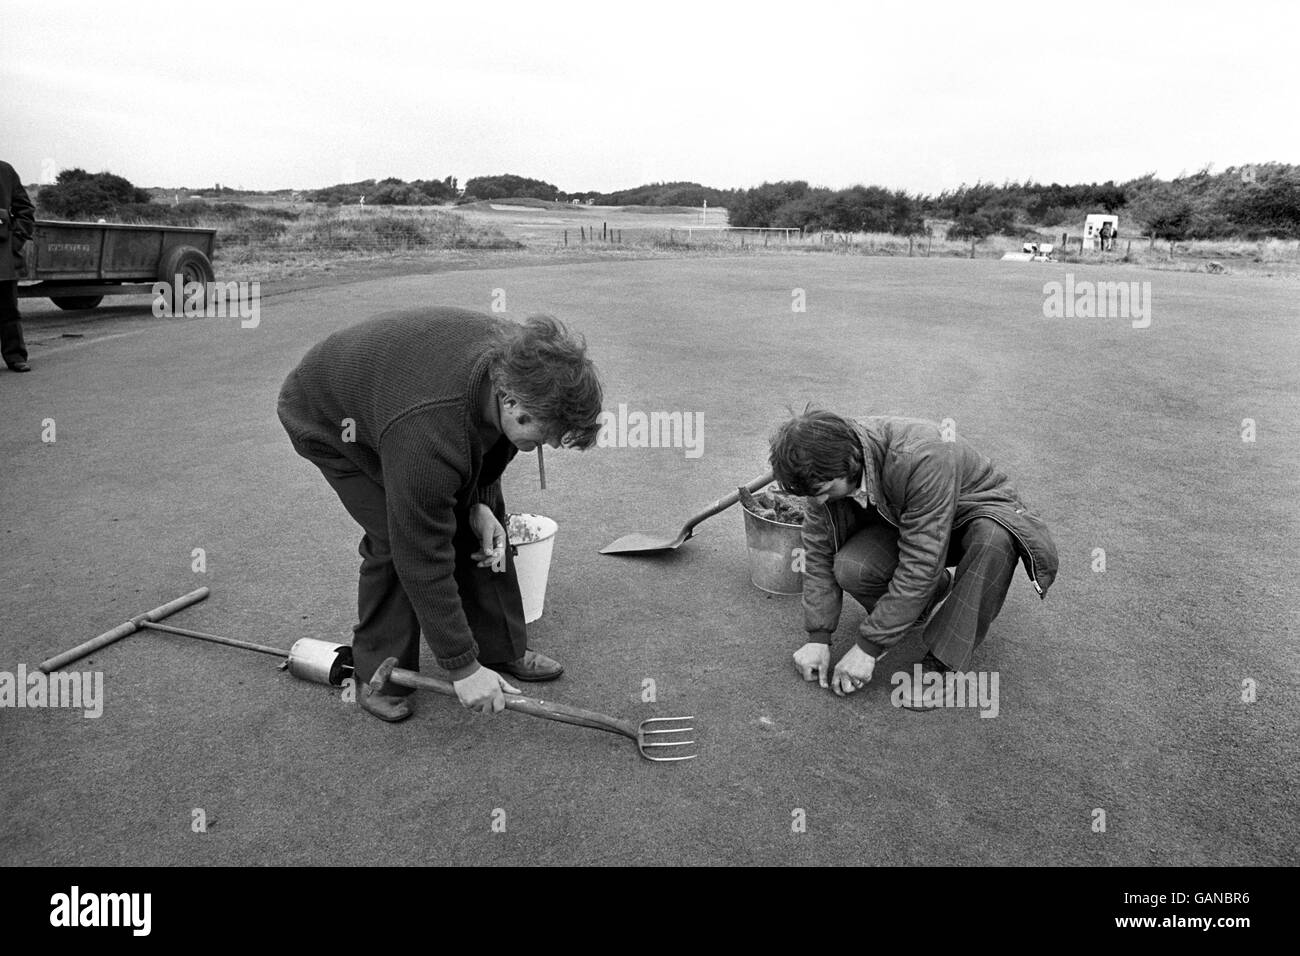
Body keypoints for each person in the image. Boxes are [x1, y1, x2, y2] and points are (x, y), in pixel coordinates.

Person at [278, 308, 603, 723]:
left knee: (484, 529)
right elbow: (422, 554)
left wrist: (482, 500)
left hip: (405, 396)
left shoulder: (525, 369)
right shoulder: (428, 434)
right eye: (547, 436)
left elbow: (489, 443)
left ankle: (501, 648)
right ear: (511, 401)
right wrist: (461, 669)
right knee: (395, 540)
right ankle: (381, 674)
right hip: (329, 419)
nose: (551, 446)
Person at [769, 409, 1058, 708]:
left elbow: (921, 562)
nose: (818, 501)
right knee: (850, 566)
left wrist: (868, 647)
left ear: (852, 460)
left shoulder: (920, 456)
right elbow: (818, 553)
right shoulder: (824, 471)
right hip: (909, 518)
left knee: (995, 539)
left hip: (975, 513)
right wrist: (818, 636)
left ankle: (943, 662)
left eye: (825, 491)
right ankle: (924, 602)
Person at [1, 160, 35, 373]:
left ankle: (15, 356)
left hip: (1, 255)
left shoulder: (5, 171)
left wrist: (15, 241)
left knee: (7, 309)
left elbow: (25, 209)